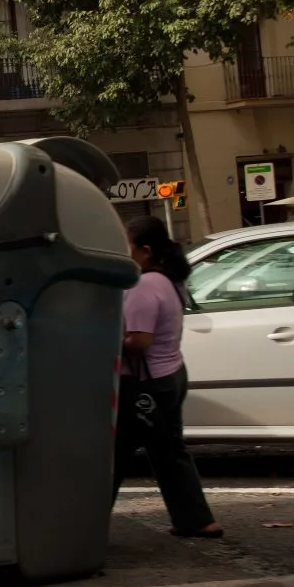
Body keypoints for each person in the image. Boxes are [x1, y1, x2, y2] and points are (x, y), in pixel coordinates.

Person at [114, 215, 223, 539]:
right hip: (170, 375)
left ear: (145, 251)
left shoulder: (144, 284)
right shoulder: (170, 280)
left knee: (115, 453)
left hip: (145, 383)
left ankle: (84, 526)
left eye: (127, 246)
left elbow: (139, 341)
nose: (123, 252)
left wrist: (106, 344)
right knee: (168, 451)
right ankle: (195, 520)